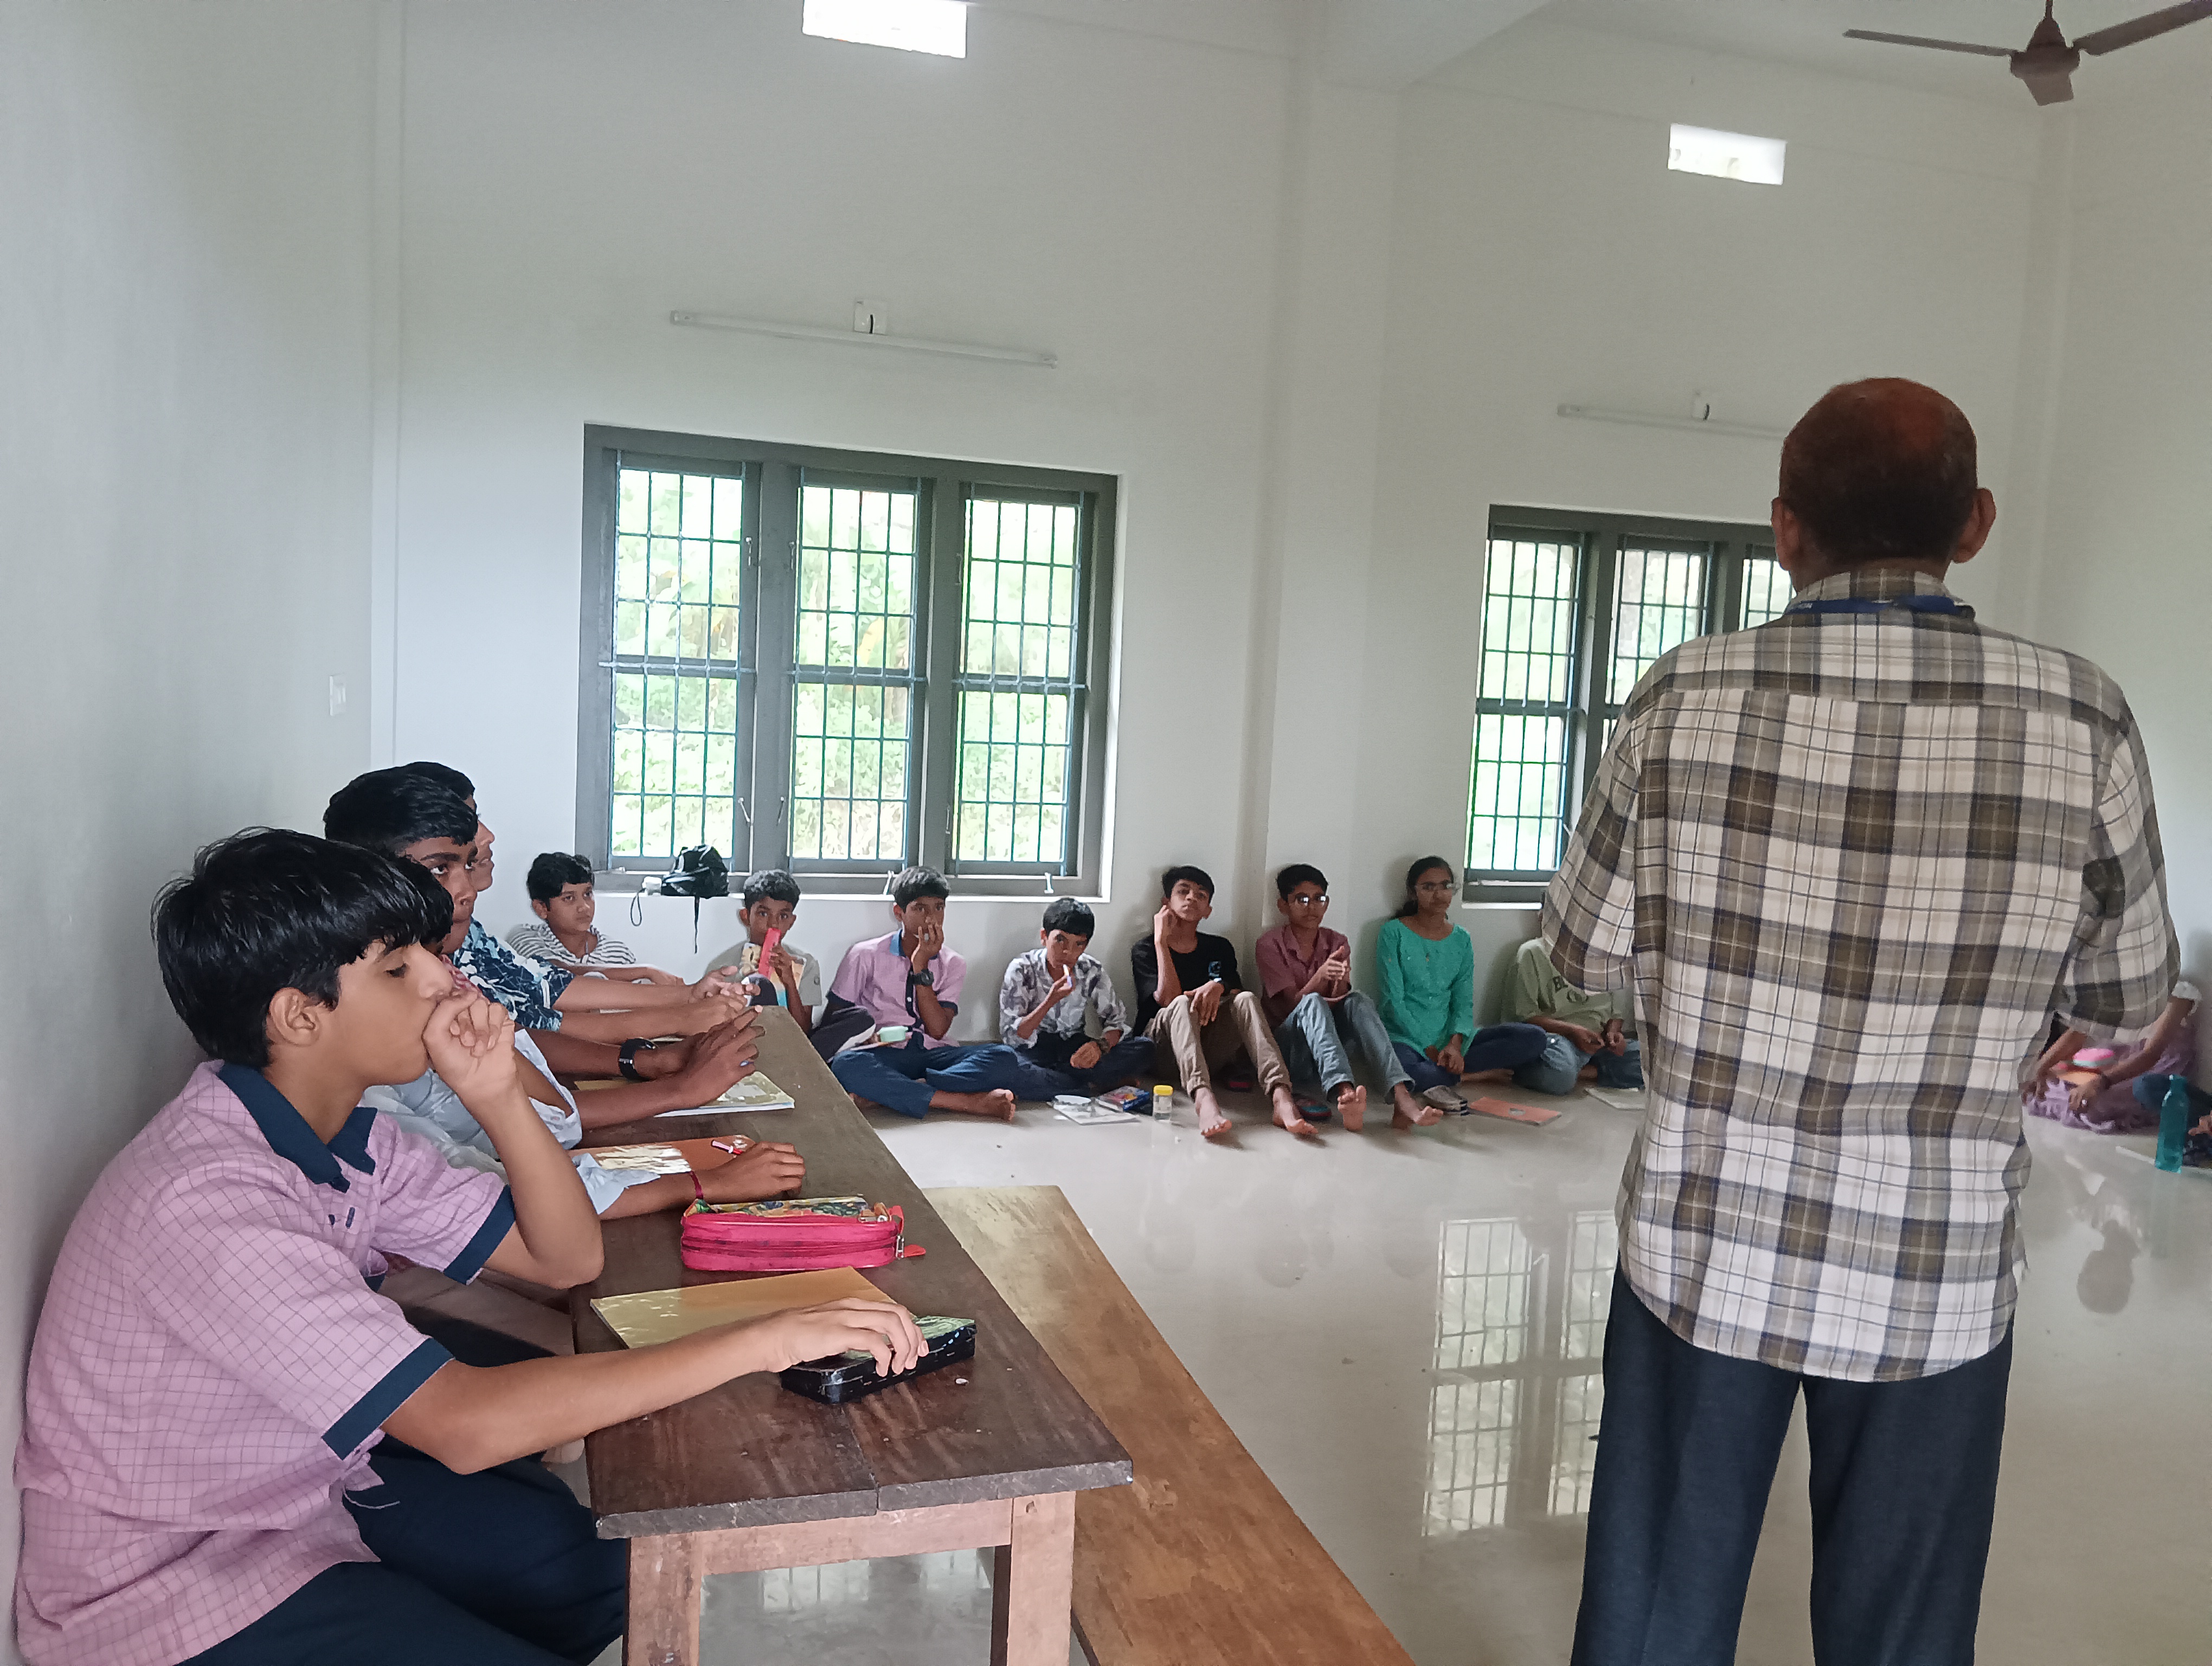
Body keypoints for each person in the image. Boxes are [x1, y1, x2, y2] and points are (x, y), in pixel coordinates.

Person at [1546, 379, 2176, 1666]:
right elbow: (2124, 1001)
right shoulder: (2081, 716)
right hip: (1932, 1270)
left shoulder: (1682, 695)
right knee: (1903, 1635)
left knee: (1655, 1613)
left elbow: (1577, 955)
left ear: (1784, 529)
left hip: (1702, 1247)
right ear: (1975, 522)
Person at [13, 829, 924, 1666]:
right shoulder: (211, 1201)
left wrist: (496, 1096)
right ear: (299, 1016)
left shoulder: (350, 1140)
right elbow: (466, 1426)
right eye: (399, 968)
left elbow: (564, 1260)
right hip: (171, 1581)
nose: (447, 983)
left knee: (590, 1576)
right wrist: (767, 1337)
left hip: (303, 1488)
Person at [327, 769, 743, 1078]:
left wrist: (685, 998)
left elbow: (543, 988)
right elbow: (529, 1029)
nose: (485, 836)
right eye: (468, 822)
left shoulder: (466, 933)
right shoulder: (420, 959)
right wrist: (671, 1027)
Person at [822, 867, 1025, 1121]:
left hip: (932, 1053)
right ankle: (965, 1102)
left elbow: (937, 1030)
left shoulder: (953, 963)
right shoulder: (864, 955)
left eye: (939, 908)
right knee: (845, 1065)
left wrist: (921, 966)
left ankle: (892, 1092)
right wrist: (863, 1039)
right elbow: (834, 1021)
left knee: (1004, 1058)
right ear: (899, 912)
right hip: (883, 1052)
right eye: (920, 908)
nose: (931, 919)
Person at [1133, 865, 1310, 1139]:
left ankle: (1281, 1096)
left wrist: (1219, 986)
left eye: (1201, 895)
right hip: (1162, 1054)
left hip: (1209, 1053)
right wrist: (1161, 942)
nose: (1192, 898)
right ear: (1166, 903)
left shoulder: (1219, 947)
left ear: (1208, 911)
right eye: (1183, 892)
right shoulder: (1145, 949)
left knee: (1246, 998)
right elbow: (1168, 999)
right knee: (1181, 1004)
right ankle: (1204, 1100)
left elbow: (1236, 990)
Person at [1253, 864, 1426, 1132]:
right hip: (1290, 1050)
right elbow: (1291, 1006)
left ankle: (1401, 1095)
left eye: (1319, 899)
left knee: (1358, 1000)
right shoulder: (1270, 944)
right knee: (1312, 1002)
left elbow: (1340, 999)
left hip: (1328, 1046)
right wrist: (1320, 977)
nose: (1312, 907)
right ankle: (1345, 1092)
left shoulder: (1336, 941)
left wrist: (1338, 981)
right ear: (1283, 905)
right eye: (1301, 899)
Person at [1374, 857, 1547, 1116]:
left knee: (1534, 1038)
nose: (1438, 894)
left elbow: (1463, 1000)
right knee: (1410, 1074)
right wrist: (1429, 1048)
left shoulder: (1461, 939)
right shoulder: (1393, 933)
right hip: (1406, 1038)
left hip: (1451, 1040)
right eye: (1428, 887)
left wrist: (1454, 1045)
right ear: (1413, 893)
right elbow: (1393, 1002)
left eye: (1445, 886)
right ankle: (1471, 1076)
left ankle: (1451, 1069)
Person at [999, 898, 1154, 1098]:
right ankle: (1088, 1084)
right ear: (1044, 937)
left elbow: (1116, 1023)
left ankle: (1069, 1083)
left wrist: (1099, 1047)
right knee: (1006, 1065)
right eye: (1060, 940)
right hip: (1034, 1049)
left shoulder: (1090, 969)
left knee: (1145, 1048)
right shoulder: (1022, 968)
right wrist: (1050, 1001)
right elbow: (1013, 1035)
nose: (1068, 952)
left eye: (1079, 944)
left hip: (1073, 1046)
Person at [2020, 979, 2199, 1132]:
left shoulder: (2179, 995)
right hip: (2124, 1059)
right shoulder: (2116, 988)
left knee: (2094, 1105)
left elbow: (2150, 1055)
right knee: (2044, 1085)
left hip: (2155, 1071)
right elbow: (2077, 1034)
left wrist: (2099, 1083)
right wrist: (2039, 1069)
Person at [705, 868, 844, 1052]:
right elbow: (714, 1027)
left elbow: (803, 1031)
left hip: (786, 1048)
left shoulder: (805, 964)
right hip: (739, 1048)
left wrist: (789, 981)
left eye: (783, 916)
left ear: (792, 922)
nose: (773, 924)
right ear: (746, 917)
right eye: (763, 914)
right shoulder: (723, 967)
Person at [1507, 935, 1644, 1096]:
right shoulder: (1532, 953)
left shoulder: (1604, 958)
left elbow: (1616, 1014)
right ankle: (1569, 1072)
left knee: (1656, 1061)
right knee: (1560, 1072)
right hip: (1557, 1040)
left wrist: (1613, 1034)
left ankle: (1583, 1072)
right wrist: (1572, 1031)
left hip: (1597, 1043)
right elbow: (1524, 1019)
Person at [505, 852, 674, 982]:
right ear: (541, 909)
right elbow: (554, 975)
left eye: (587, 894)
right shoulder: (525, 938)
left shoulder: (619, 954)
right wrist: (645, 971)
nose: (584, 907)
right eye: (569, 898)